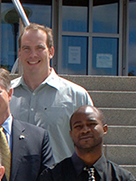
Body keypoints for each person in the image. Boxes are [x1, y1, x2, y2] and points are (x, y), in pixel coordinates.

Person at [11, 24, 94, 163]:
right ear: (19, 53)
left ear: (51, 51)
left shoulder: (76, 96)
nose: (33, 55)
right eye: (26, 49)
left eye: (40, 48)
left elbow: (90, 145)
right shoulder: (5, 95)